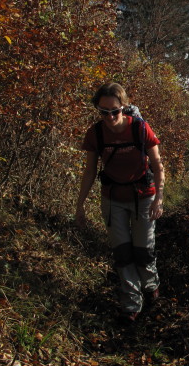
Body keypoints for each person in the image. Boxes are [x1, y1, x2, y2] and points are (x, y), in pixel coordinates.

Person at [75, 82, 165, 323]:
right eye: (104, 112)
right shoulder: (96, 133)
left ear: (123, 107)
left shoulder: (140, 128)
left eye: (114, 111)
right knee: (122, 253)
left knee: (143, 251)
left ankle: (150, 286)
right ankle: (131, 305)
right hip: (113, 198)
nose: (110, 117)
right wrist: (80, 204)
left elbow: (157, 166)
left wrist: (159, 198)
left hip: (144, 197)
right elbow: (90, 171)